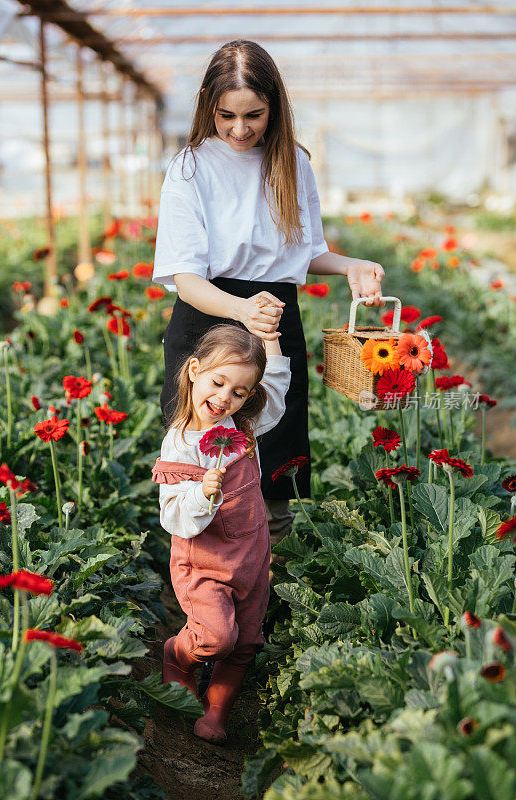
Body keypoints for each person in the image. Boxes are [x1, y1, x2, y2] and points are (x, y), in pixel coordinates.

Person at [153, 39, 385, 552]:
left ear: (274, 107)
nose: (240, 129)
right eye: (226, 115)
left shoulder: (293, 163)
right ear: (208, 107)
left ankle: (270, 596)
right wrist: (241, 310)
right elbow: (186, 278)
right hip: (208, 323)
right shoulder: (190, 168)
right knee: (201, 463)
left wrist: (352, 266)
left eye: (253, 115)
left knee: (274, 455)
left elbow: (306, 252)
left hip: (275, 324)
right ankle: (201, 597)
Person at [151, 324, 290, 743]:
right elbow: (172, 515)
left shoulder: (242, 426)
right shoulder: (179, 446)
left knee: (245, 641)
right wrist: (201, 493)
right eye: (218, 382)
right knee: (216, 637)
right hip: (204, 563)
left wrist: (271, 335)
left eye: (239, 391)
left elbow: (278, 388)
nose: (224, 398)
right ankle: (178, 654)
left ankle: (217, 711)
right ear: (194, 370)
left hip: (250, 557)